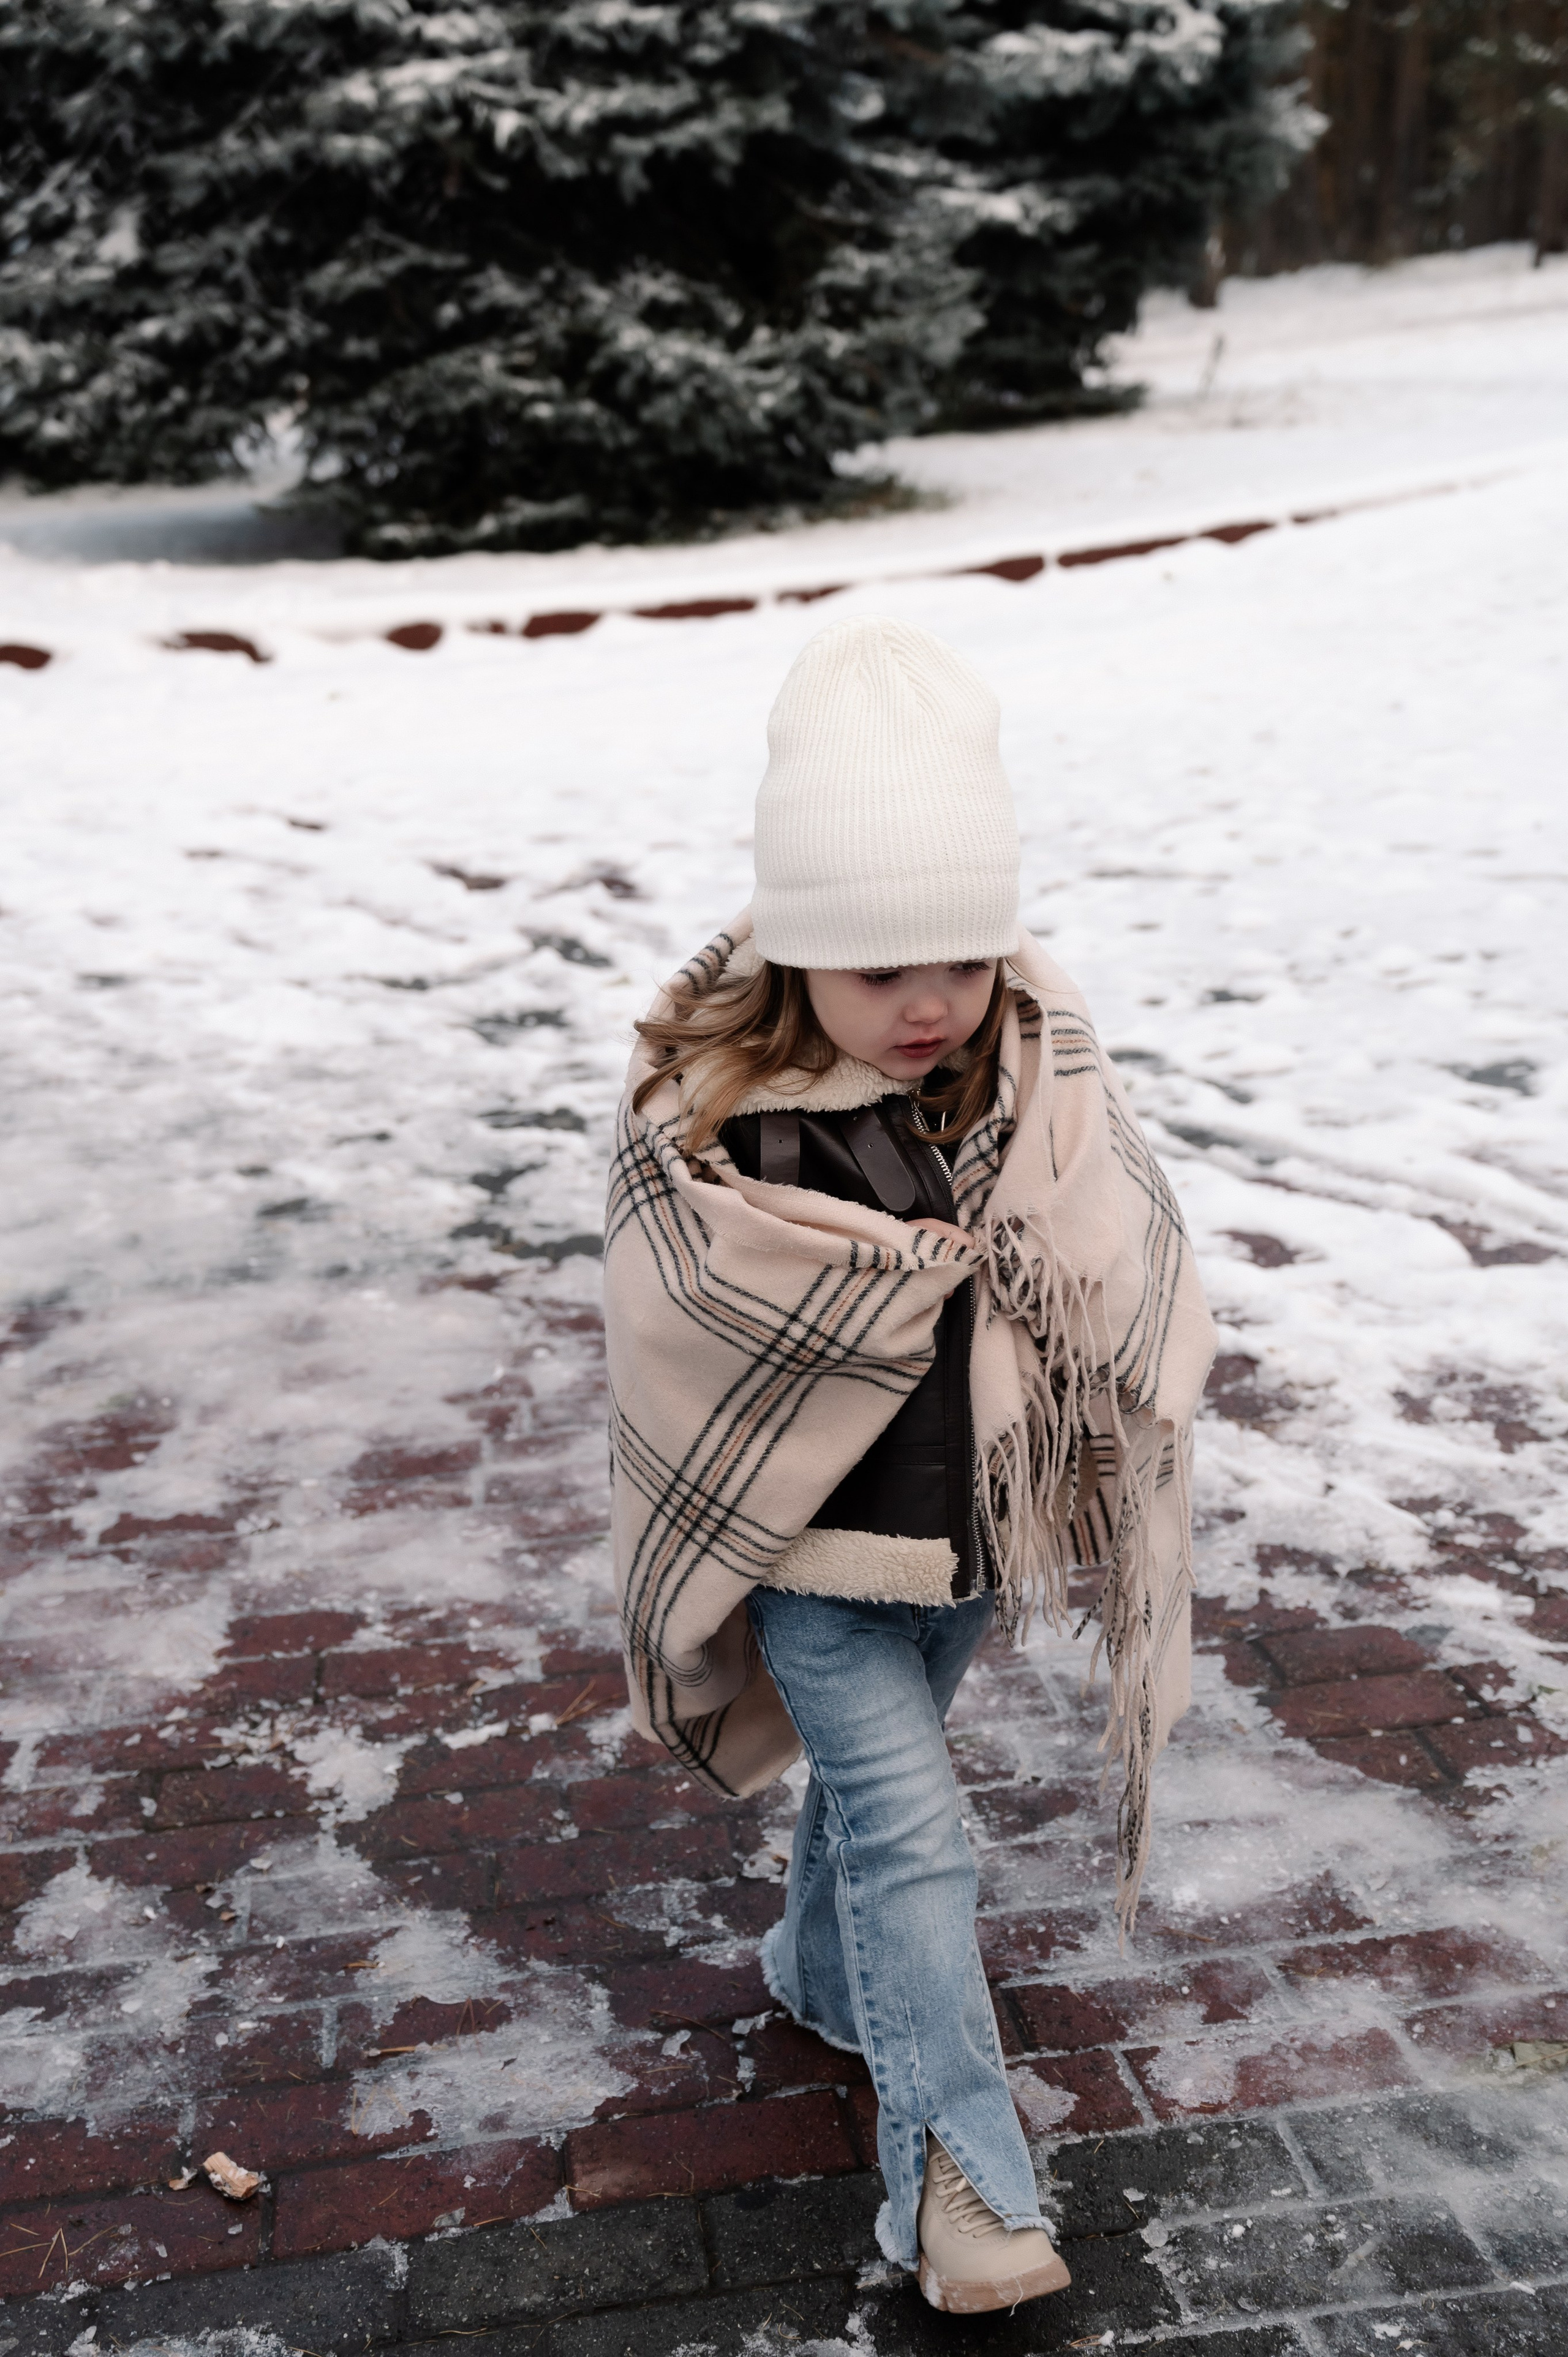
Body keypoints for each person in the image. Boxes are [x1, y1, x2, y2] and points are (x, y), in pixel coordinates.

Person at [604, 615, 1215, 2313]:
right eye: (881, 972)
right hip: (812, 1559)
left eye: (960, 956)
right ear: (802, 951)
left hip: (965, 1540)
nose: (930, 1003)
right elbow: (680, 1341)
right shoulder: (718, 1128)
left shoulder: (1032, 1073)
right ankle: (960, 2189)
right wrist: (893, 1288)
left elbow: (1115, 1238)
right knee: (917, 1838)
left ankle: (816, 1971)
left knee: (875, 1824)